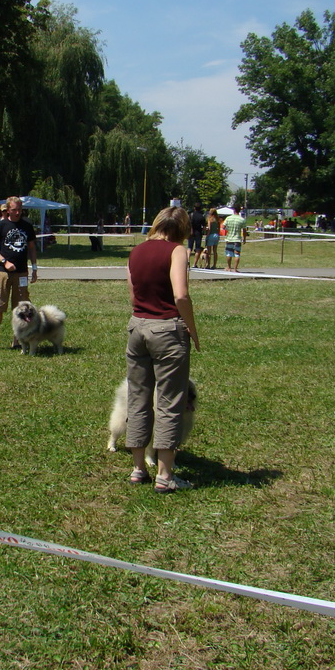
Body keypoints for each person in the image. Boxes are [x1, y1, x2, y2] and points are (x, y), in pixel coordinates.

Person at [124, 206, 200, 493]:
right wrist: (191, 328)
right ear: (182, 228)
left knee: (138, 397)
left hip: (137, 328)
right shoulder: (177, 251)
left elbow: (133, 293)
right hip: (168, 329)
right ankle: (165, 476)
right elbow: (180, 294)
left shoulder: (136, 251)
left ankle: (138, 468)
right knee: (170, 401)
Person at [0, 196, 37, 351]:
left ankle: (17, 340)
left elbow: (32, 248)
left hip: (22, 273)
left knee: (21, 308)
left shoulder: (27, 225)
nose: (17, 213)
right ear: (8, 210)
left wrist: (34, 267)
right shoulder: (1, 225)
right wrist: (4, 261)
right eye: (14, 210)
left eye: (19, 210)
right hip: (4, 273)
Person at [222, 207, 247, 272]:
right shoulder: (242, 219)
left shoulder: (228, 218)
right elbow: (244, 230)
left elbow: (223, 227)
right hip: (237, 239)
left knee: (229, 253)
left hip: (229, 238)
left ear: (234, 210)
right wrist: (244, 239)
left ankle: (229, 267)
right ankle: (235, 268)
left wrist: (228, 229)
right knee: (237, 254)